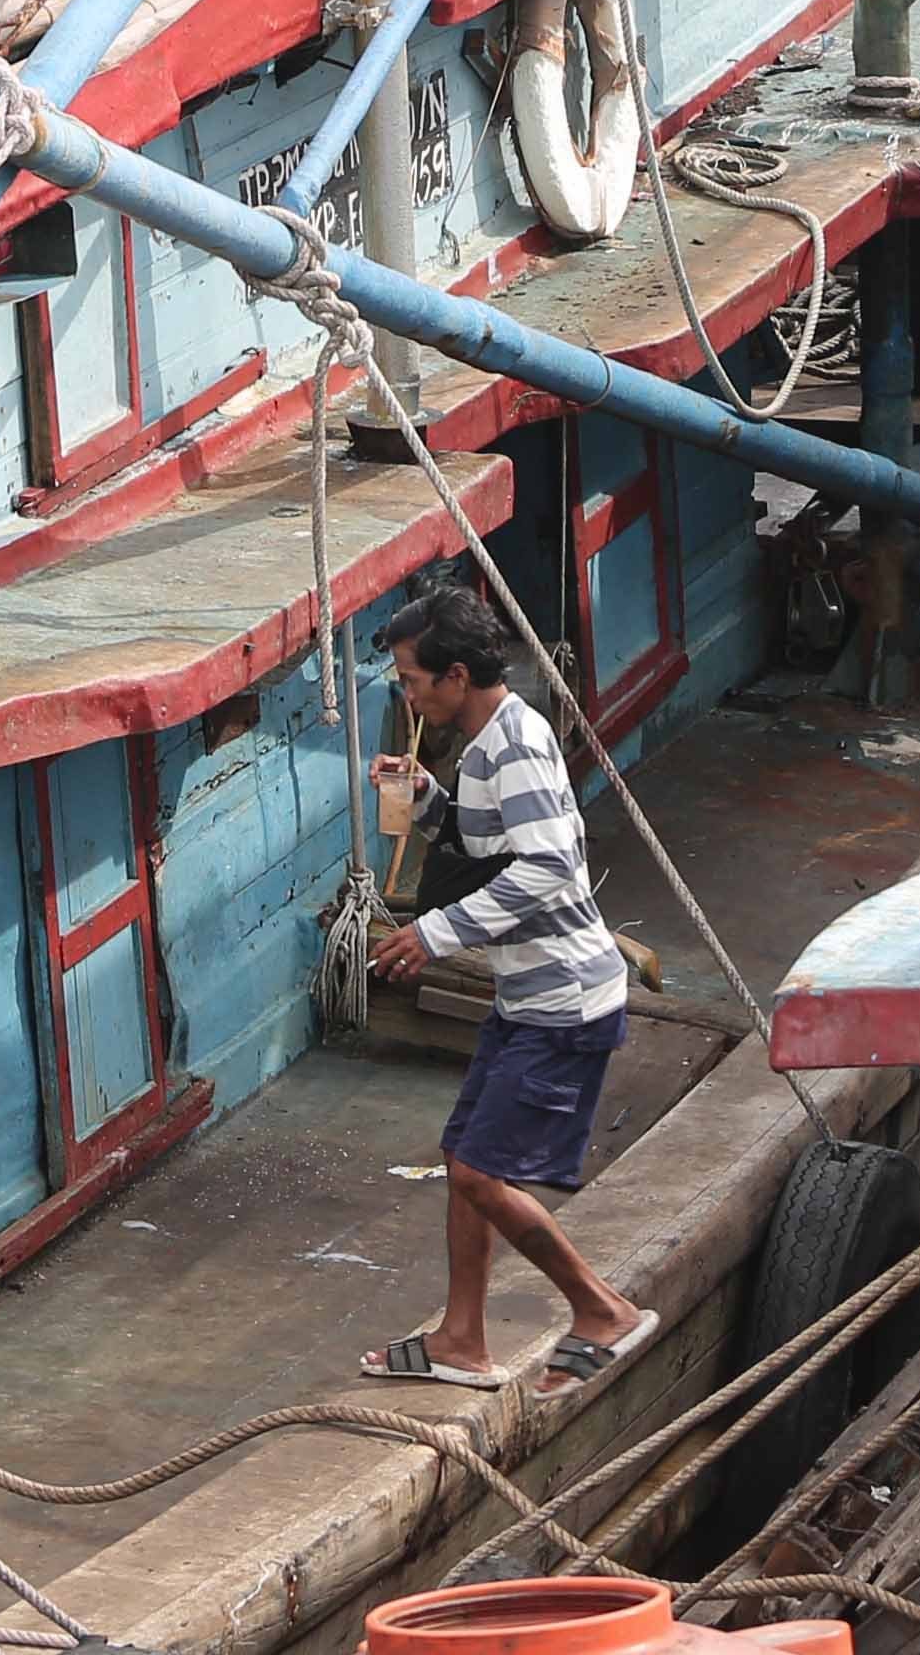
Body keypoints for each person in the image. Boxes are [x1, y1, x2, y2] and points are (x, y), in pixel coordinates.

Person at [356, 586, 650, 1391]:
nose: (407, 694)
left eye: (413, 680)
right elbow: (488, 847)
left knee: (484, 1174)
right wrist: (423, 802)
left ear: (455, 676)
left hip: (563, 1002)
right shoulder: (487, 742)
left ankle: (602, 1310)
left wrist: (433, 933)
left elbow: (551, 866)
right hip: (527, 996)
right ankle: (461, 1339)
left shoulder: (514, 744)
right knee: (463, 1161)